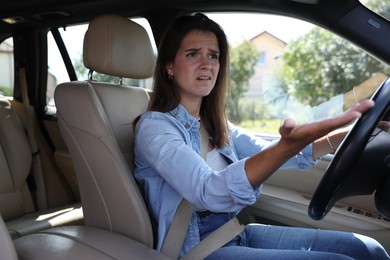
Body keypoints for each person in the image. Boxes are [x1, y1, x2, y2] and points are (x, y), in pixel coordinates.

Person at [134, 13, 390, 259]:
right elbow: (206, 190)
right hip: (196, 248)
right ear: (169, 66)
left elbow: (266, 150)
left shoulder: (215, 124)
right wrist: (283, 149)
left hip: (233, 232)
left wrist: (350, 133)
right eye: (193, 54)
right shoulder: (155, 127)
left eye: (213, 55)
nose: (207, 64)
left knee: (368, 250)